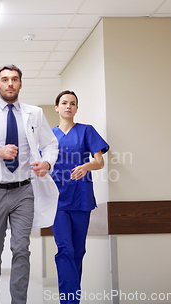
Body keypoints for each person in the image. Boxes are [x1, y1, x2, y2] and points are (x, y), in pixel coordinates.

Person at [0, 64, 59, 304]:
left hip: (24, 190)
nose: (10, 83)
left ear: (20, 83)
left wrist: (47, 163)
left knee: (21, 248)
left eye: (14, 79)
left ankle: (19, 301)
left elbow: (50, 144)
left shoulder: (34, 113)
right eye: (5, 79)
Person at [50, 90, 109, 304]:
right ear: (57, 107)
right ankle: (69, 301)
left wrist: (86, 166)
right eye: (64, 103)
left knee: (77, 251)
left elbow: (100, 162)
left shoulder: (86, 131)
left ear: (76, 108)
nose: (68, 106)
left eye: (72, 103)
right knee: (64, 249)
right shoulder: (48, 136)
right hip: (56, 199)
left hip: (80, 197)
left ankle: (72, 298)